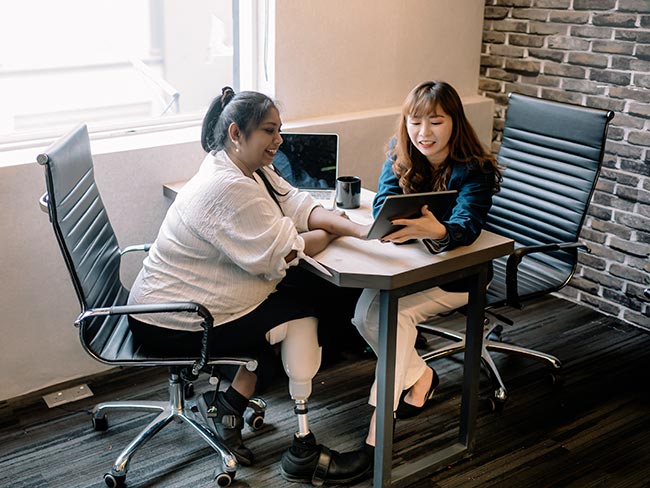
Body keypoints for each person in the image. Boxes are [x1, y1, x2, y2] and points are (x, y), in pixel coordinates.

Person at [127, 87, 372, 485]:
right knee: (306, 303)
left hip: (182, 304)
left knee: (306, 296)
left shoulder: (246, 166)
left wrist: (357, 228)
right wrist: (336, 235)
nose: (279, 140)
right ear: (238, 133)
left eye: (280, 130)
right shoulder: (227, 187)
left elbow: (297, 205)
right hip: (172, 319)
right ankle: (302, 445)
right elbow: (288, 253)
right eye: (269, 131)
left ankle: (229, 405)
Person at [352, 80, 502, 451]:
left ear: (455, 122)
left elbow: (466, 227)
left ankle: (378, 429)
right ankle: (422, 376)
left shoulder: (475, 169)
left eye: (435, 121)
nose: (423, 133)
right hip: (410, 264)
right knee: (363, 316)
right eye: (414, 122)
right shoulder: (399, 151)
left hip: (460, 276)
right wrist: (407, 226)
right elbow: (382, 205)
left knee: (388, 316)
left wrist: (437, 230)